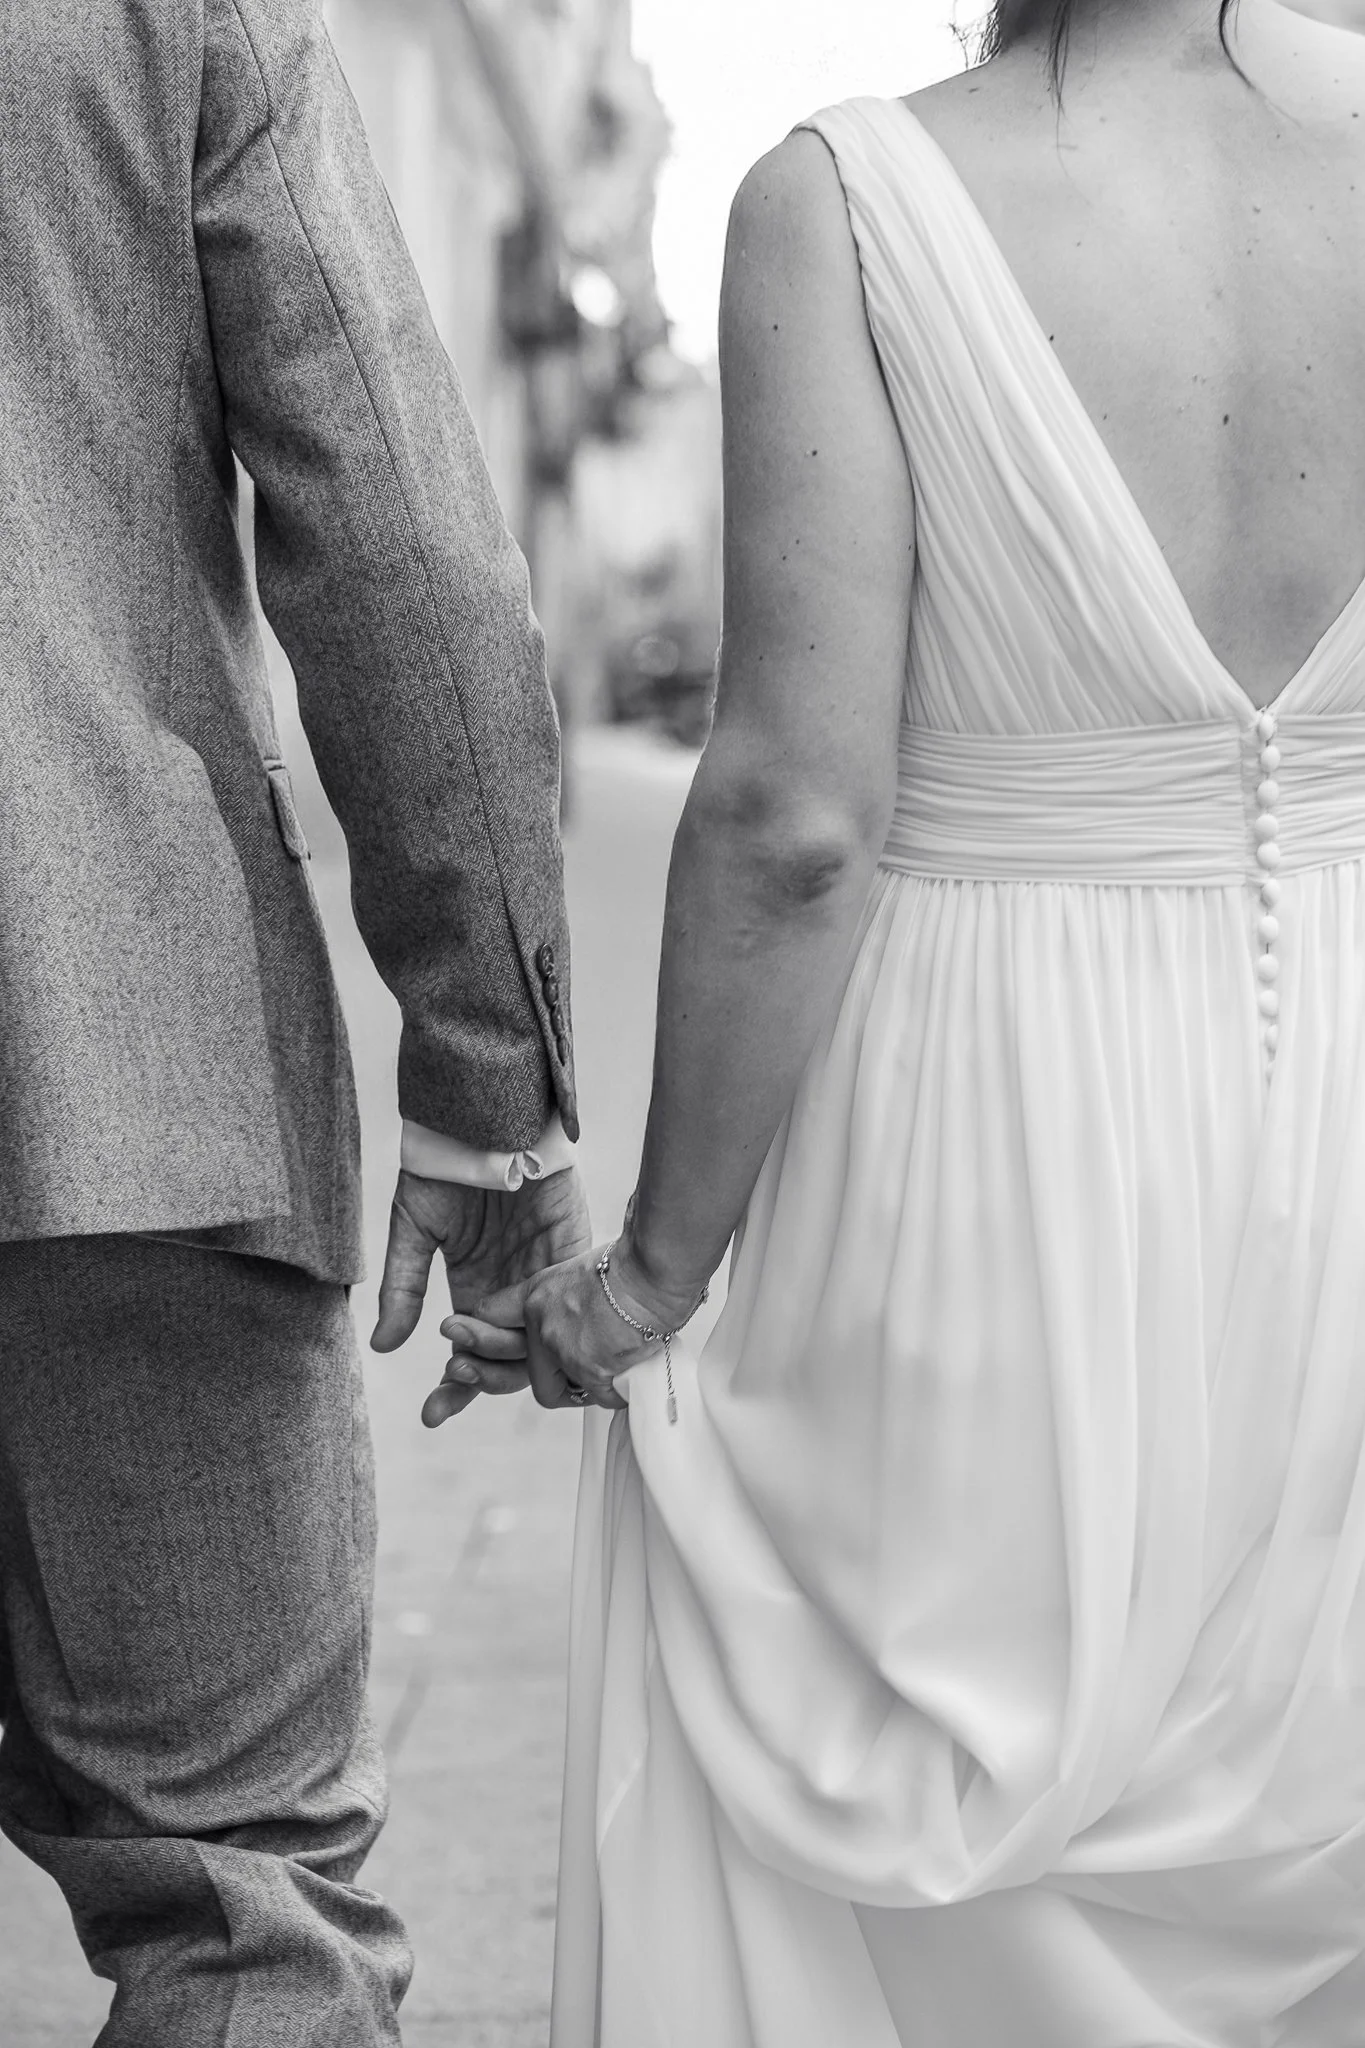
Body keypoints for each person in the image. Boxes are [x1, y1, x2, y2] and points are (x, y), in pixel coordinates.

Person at [435, 0, 1365, 2038]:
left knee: (889, 1778)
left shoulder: (847, 203)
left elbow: (793, 818)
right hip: (1340, 1102)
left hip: (1000, 1138)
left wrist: (647, 1280)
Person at [0, 2, 590, 2042]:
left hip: (118, 1084)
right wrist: (491, 1091)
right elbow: (401, 535)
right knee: (242, 1904)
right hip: (116, 1048)